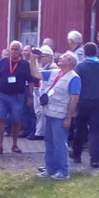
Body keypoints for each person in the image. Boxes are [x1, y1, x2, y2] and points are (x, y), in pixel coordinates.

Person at [31, 51, 80, 180]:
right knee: (49, 142)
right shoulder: (54, 73)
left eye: (63, 57)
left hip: (61, 116)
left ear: (70, 62)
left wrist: (68, 118)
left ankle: (63, 171)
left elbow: (74, 99)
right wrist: (33, 59)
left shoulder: (74, 78)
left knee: (59, 143)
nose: (60, 58)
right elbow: (36, 73)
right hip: (49, 113)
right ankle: (50, 168)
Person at [72, 43, 99, 168]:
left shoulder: (80, 66)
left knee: (80, 129)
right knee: (95, 131)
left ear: (85, 53)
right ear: (96, 52)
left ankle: (77, 155)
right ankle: (95, 159)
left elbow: (76, 84)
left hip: (83, 101)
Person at [0, 41, 32, 154]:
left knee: (16, 120)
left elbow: (31, 81)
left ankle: (14, 145)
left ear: (20, 51)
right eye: (12, 49)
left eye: (16, 49)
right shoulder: (3, 62)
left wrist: (30, 96)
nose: (13, 51)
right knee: (0, 118)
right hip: (1, 95)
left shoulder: (25, 65)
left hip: (17, 96)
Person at [27, 45, 56, 141]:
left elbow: (39, 75)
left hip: (46, 94)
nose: (40, 59)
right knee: (38, 112)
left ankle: (40, 133)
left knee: (43, 113)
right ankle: (39, 132)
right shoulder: (42, 66)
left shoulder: (52, 67)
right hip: (38, 91)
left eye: (42, 57)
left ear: (50, 57)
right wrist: (33, 58)